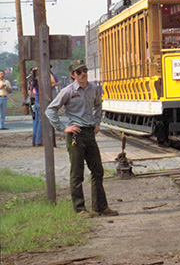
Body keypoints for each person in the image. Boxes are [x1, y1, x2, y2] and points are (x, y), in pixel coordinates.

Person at [46, 60, 118, 217]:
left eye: (85, 70)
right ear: (73, 75)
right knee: (77, 173)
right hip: (76, 135)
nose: (83, 74)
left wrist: (97, 122)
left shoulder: (93, 88)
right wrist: (63, 128)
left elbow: (98, 105)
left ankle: (100, 207)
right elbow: (50, 110)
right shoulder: (68, 91)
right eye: (79, 72)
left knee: (98, 170)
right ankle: (80, 209)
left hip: (90, 133)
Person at [28, 67, 58, 146]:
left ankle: (35, 141)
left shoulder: (35, 80)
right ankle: (39, 141)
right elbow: (53, 81)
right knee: (41, 122)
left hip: (37, 101)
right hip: (41, 102)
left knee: (37, 122)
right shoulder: (40, 79)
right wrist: (49, 72)